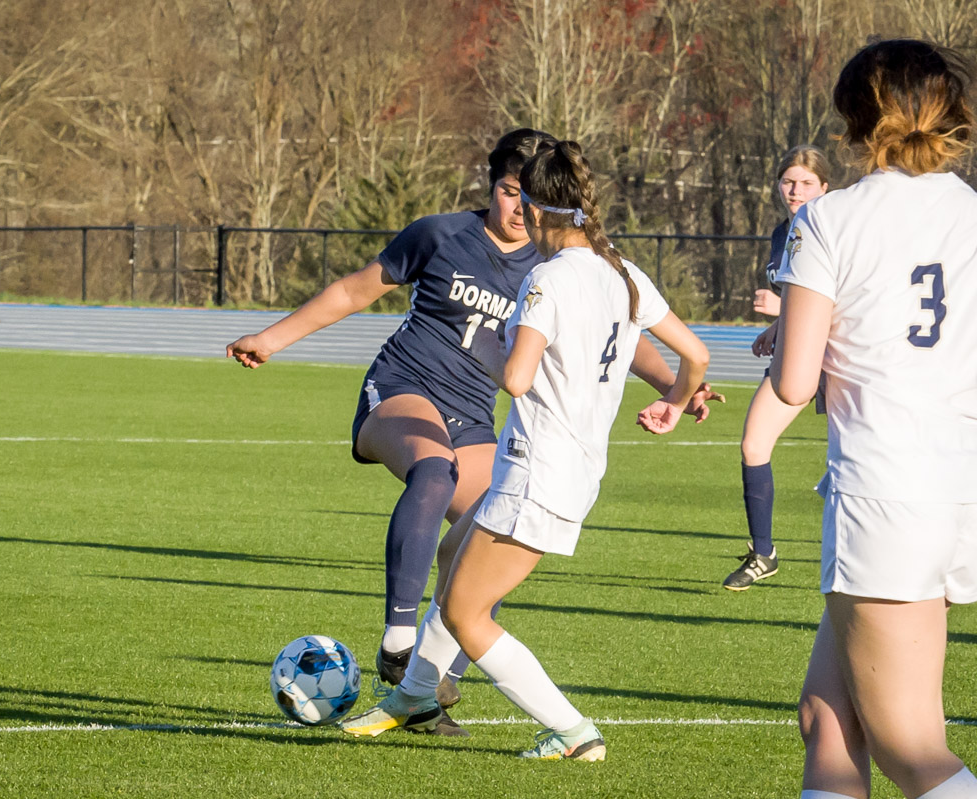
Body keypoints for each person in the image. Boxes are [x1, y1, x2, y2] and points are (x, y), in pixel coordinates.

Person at [227, 129, 722, 736]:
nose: (518, 208)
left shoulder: (554, 264)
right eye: (509, 192)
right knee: (434, 474)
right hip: (403, 388)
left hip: (473, 417)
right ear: (491, 186)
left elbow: (620, 331)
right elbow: (357, 289)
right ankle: (402, 641)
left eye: (527, 196)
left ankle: (424, 693)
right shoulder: (442, 235)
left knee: (475, 545)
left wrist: (675, 386)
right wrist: (270, 339)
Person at [772, 38, 977, 799]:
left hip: (885, 489)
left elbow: (795, 382)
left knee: (909, 745)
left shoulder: (830, 219)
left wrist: (793, 336)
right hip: (955, 483)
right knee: (827, 717)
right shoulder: (970, 212)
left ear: (856, 121)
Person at [723, 145, 831, 591]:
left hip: (840, 358)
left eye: (807, 182)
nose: (796, 190)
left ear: (826, 187)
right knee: (753, 443)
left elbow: (842, 299)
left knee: (854, 459)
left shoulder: (833, 227)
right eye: (789, 181)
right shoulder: (781, 232)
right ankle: (763, 553)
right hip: (797, 352)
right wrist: (780, 324)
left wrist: (782, 307)